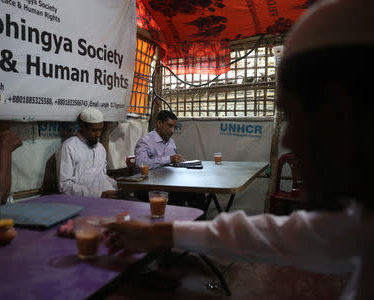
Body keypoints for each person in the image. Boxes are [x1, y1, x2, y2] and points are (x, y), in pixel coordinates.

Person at [103, 0, 374, 299]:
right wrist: (158, 233)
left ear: (339, 111)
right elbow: (291, 235)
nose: (290, 141)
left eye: (294, 117)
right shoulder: (359, 225)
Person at [56, 107, 119, 198]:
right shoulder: (69, 147)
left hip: (108, 197)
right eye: (94, 130)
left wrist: (118, 185)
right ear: (82, 126)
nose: (98, 134)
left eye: (100, 130)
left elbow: (101, 176)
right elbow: (65, 186)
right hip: (85, 201)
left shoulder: (100, 148)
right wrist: (99, 195)